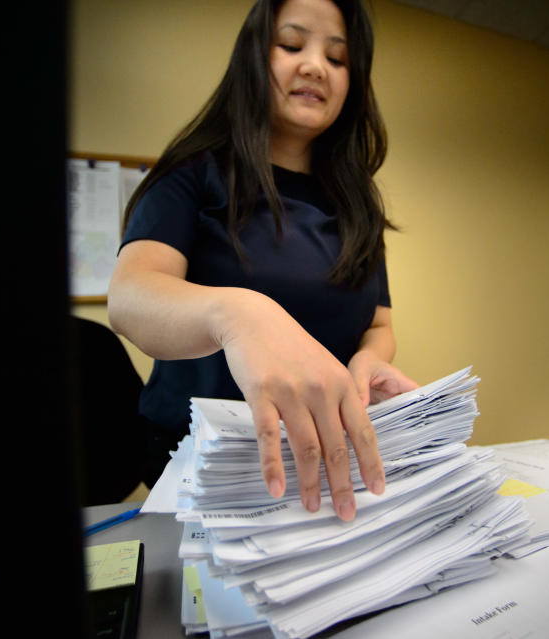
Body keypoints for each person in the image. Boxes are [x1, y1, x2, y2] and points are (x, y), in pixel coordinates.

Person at [108, 0, 417, 522]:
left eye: (338, 59)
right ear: (253, 57)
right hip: (205, 464)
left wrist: (369, 362)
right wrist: (241, 314)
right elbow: (130, 297)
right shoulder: (193, 173)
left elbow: (380, 323)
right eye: (292, 45)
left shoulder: (356, 201)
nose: (315, 66)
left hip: (320, 457)